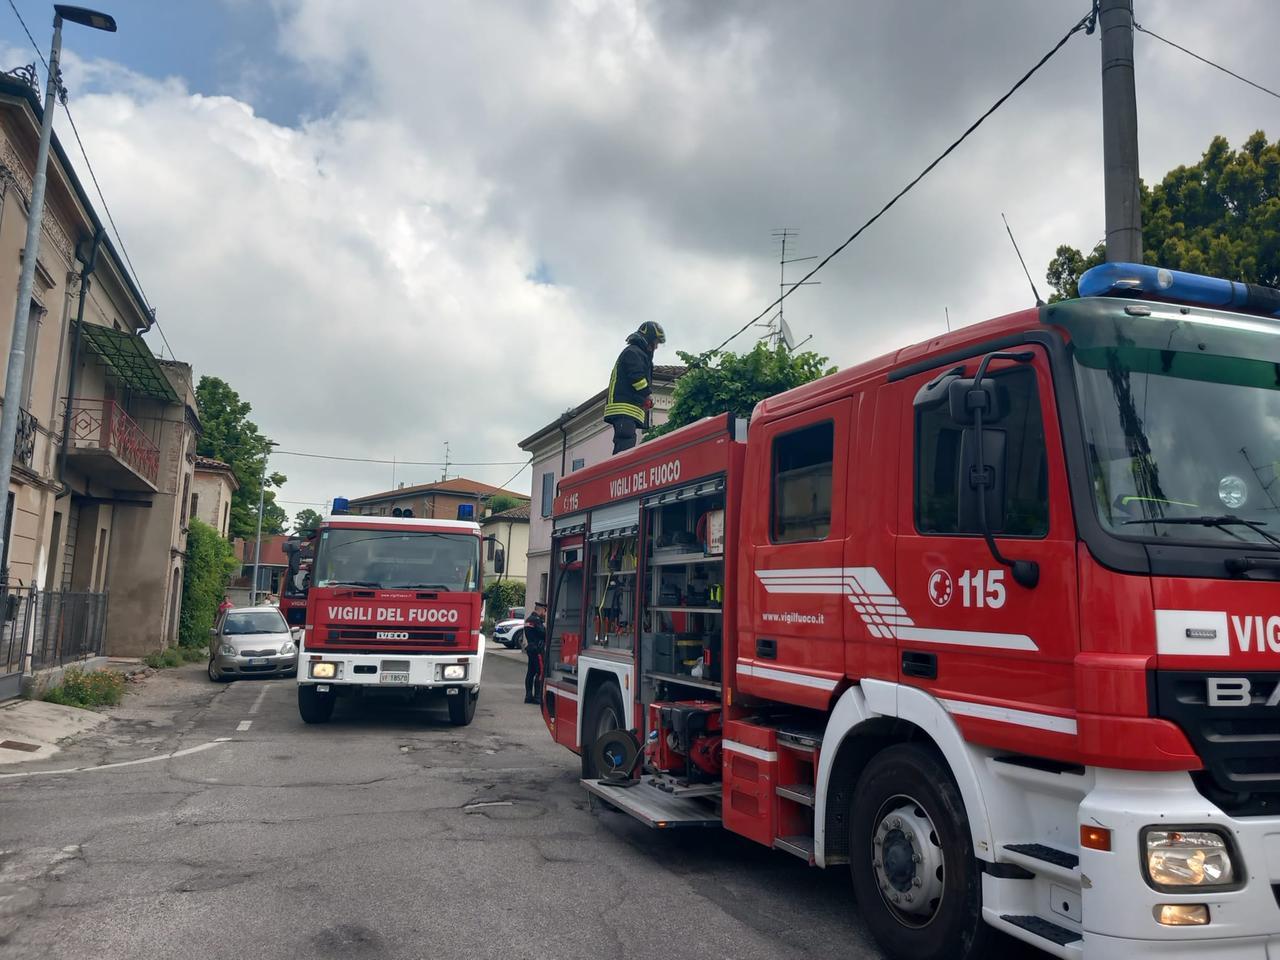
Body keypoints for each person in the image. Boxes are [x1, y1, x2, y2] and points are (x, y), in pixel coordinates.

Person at [604, 321, 665, 455]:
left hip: (627, 409)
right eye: (656, 342)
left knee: (627, 443)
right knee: (625, 445)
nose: (656, 347)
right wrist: (647, 395)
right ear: (648, 339)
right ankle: (620, 474)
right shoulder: (633, 353)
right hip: (623, 408)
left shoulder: (637, 354)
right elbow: (637, 378)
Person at [523, 601, 547, 704]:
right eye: (544, 611)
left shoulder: (528, 620)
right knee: (540, 672)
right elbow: (544, 633)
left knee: (530, 672)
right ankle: (537, 697)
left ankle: (528, 696)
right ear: (541, 610)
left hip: (530, 648)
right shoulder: (537, 621)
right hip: (537, 650)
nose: (545, 614)